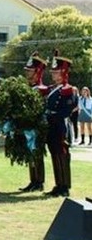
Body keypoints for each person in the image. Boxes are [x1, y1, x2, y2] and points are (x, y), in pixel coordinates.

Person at [45, 50, 77, 197]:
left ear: (63, 73)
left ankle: (65, 186)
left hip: (60, 125)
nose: (53, 74)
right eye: (53, 72)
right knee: (54, 154)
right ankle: (58, 184)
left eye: (56, 72)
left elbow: (68, 109)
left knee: (62, 154)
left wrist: (54, 116)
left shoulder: (68, 89)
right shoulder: (53, 89)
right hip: (51, 125)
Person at [19, 52, 48, 192]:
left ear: (37, 72)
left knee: (36, 154)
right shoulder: (27, 88)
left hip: (37, 126)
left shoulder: (42, 90)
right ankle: (33, 180)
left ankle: (39, 182)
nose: (27, 73)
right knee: (30, 153)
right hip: (27, 125)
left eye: (29, 71)